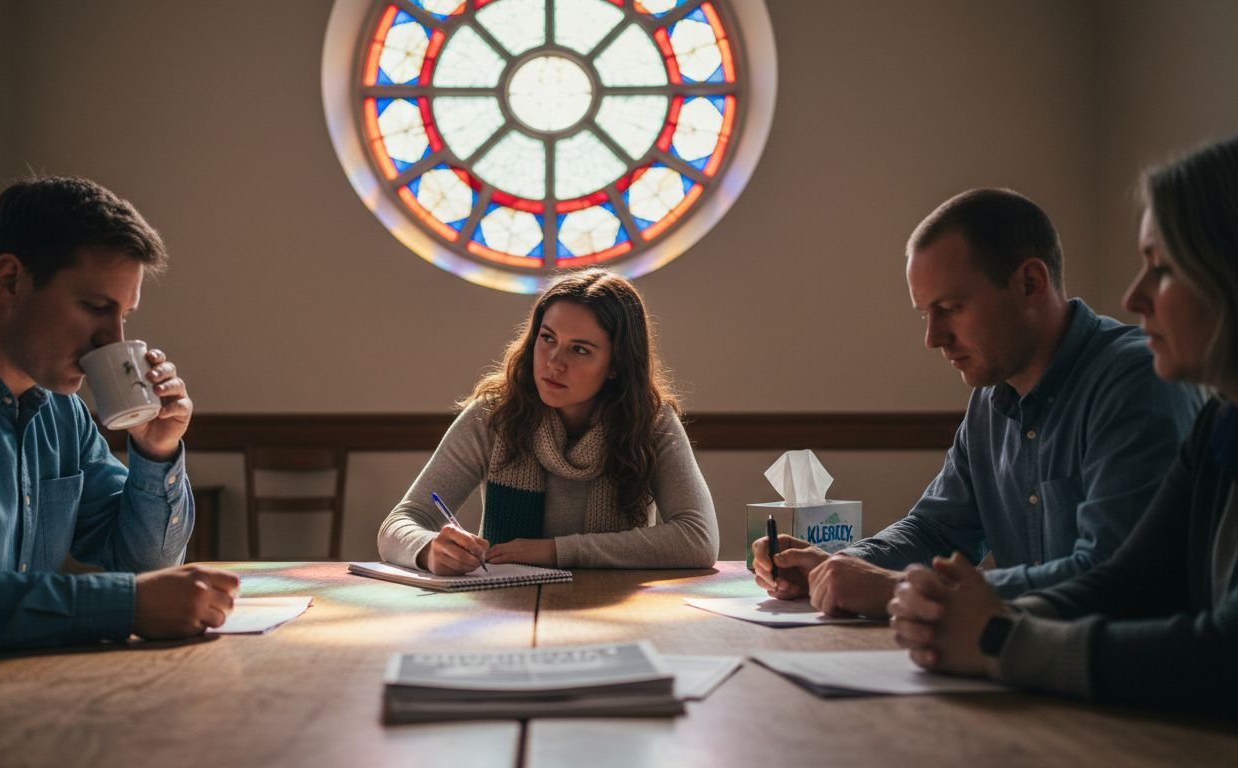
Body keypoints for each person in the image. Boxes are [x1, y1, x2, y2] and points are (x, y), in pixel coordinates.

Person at [889, 135, 1238, 716]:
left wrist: (997, 637)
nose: (1134, 297)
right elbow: (1128, 580)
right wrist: (956, 612)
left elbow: (1223, 657)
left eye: (1163, 269)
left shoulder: (1134, 381)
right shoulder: (1220, 423)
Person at [753, 188, 1202, 617]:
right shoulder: (989, 401)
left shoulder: (1136, 381)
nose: (933, 338)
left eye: (951, 308)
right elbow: (936, 530)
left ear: (1030, 283)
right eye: (925, 314)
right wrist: (838, 566)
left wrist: (898, 589)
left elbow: (1111, 578)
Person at [0, 177, 239, 669]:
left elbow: (142, 564)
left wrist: (155, 451)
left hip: (13, 689)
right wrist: (125, 607)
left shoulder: (62, 412)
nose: (113, 339)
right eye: (97, 308)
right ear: (9, 281)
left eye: (124, 315)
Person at [378, 268, 718, 574]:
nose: (554, 362)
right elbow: (399, 524)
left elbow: (698, 539)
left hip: (616, 606)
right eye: (547, 338)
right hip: (504, 605)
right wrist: (429, 550)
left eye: (579, 349)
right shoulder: (494, 416)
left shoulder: (651, 424)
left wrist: (556, 552)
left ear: (617, 364)